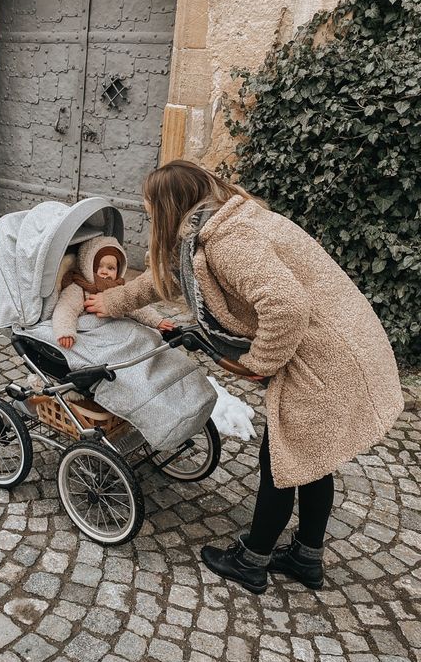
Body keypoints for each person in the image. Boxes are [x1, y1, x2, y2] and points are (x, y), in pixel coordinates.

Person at [85, 160, 404, 593]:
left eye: (149, 208)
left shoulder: (228, 241)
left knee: (282, 459)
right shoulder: (221, 223)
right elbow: (167, 283)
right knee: (313, 456)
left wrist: (258, 363)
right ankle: (306, 558)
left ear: (168, 206)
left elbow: (286, 306)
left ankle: (252, 561)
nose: (147, 215)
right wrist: (114, 301)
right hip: (343, 343)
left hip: (326, 356)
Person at [52, 235, 174, 349]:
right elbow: (65, 309)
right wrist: (65, 331)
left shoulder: (119, 288)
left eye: (111, 268)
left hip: (117, 332)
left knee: (144, 340)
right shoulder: (79, 288)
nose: (105, 272)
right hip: (91, 334)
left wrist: (157, 321)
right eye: (99, 266)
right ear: (87, 266)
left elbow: (136, 307)